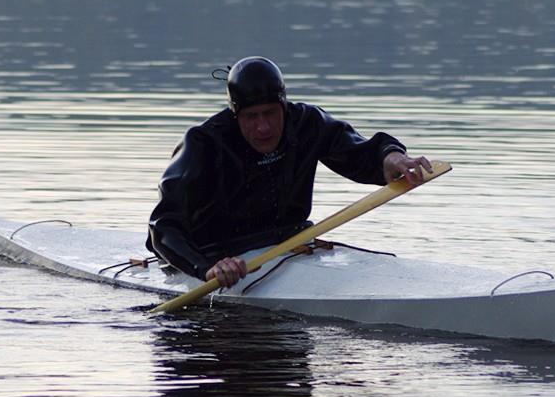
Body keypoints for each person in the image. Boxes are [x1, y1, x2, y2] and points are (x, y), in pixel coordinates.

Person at [146, 56, 431, 288]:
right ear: (235, 114)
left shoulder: (306, 123)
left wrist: (391, 158)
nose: (263, 128)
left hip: (292, 243)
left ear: (283, 105)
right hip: (217, 257)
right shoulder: (203, 143)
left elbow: (358, 150)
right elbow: (163, 226)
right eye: (251, 117)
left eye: (270, 113)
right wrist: (205, 269)